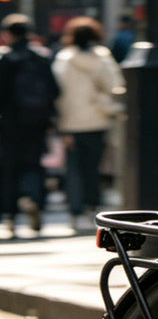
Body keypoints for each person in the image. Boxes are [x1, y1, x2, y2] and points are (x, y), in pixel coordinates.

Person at [52, 16, 125, 233]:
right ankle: (92, 206)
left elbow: (57, 93)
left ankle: (75, 211)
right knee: (93, 167)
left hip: (70, 123)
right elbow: (116, 86)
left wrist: (59, 122)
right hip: (97, 120)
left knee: (73, 168)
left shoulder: (64, 59)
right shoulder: (103, 58)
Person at [0, 13, 59, 238]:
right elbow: (54, 91)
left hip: (10, 123)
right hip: (37, 122)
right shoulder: (42, 57)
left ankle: (12, 217)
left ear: (7, 34)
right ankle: (33, 198)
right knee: (34, 164)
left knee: (10, 168)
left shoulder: (6, 59)